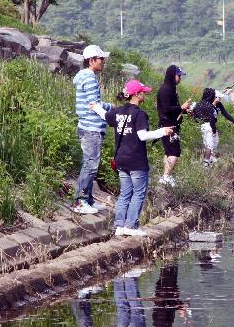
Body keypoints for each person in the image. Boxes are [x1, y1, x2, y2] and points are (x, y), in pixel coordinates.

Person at [91, 79, 173, 237]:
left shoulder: (118, 111)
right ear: (137, 94)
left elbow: (105, 115)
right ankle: (131, 225)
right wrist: (163, 131)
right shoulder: (139, 114)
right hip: (136, 160)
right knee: (139, 193)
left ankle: (119, 226)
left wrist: (95, 107)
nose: (145, 95)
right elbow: (142, 136)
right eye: (143, 92)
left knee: (125, 193)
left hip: (121, 159)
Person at [72, 45, 112, 215]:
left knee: (90, 163)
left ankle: (88, 199)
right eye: (101, 58)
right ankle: (80, 201)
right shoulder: (89, 77)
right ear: (91, 60)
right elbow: (93, 104)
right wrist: (110, 110)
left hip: (88, 127)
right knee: (90, 164)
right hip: (91, 128)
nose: (103, 62)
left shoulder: (86, 76)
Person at [156, 65, 192, 187]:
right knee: (174, 152)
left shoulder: (171, 89)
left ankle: (166, 176)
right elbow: (166, 109)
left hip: (171, 123)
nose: (180, 78)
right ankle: (165, 177)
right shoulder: (165, 89)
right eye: (179, 75)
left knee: (168, 151)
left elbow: (173, 109)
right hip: (167, 125)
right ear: (172, 75)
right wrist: (181, 107)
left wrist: (185, 111)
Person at [191, 87, 218, 167]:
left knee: (204, 144)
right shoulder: (209, 106)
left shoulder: (198, 104)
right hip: (208, 126)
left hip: (200, 126)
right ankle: (206, 163)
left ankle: (203, 161)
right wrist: (214, 130)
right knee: (209, 145)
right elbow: (212, 119)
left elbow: (195, 118)